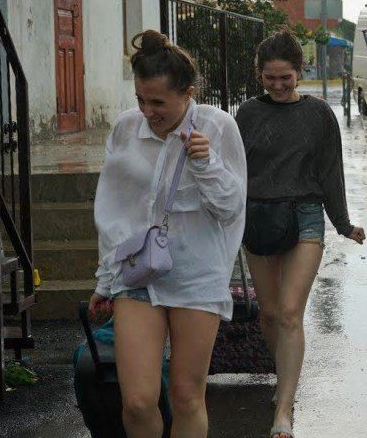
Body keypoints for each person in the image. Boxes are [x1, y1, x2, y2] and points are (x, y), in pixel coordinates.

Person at [89, 30, 247, 438]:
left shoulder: (218, 126)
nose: (147, 111)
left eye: (158, 102)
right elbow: (113, 209)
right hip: (138, 275)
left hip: (197, 274)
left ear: (188, 93)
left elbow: (230, 209)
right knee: (138, 401)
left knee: (186, 396)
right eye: (141, 99)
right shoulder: (127, 129)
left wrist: (205, 161)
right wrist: (106, 280)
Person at [235, 29, 366, 438]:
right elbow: (234, 173)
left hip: (306, 215)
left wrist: (343, 223)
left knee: (290, 312)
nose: (277, 85)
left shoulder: (318, 115)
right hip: (257, 217)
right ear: (259, 74)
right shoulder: (247, 114)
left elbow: (330, 171)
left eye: (286, 78)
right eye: (270, 78)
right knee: (270, 314)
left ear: (300, 72)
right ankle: (284, 376)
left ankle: (284, 409)